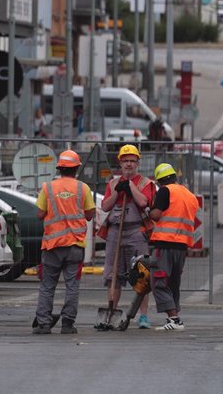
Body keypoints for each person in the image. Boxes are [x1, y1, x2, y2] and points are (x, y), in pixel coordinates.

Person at [33, 149, 97, 335]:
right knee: (72, 286)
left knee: (47, 286)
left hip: (52, 246)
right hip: (74, 246)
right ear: (77, 168)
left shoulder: (48, 188)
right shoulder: (82, 188)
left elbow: (39, 214)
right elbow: (90, 214)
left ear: (59, 168)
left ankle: (44, 324)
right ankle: (67, 324)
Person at [96, 144, 156, 330]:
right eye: (125, 161)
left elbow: (144, 202)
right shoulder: (113, 184)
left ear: (138, 163)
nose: (129, 164)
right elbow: (105, 206)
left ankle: (143, 316)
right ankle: (112, 311)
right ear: (120, 163)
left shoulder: (146, 183)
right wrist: (118, 191)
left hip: (136, 231)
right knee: (113, 275)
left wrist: (130, 186)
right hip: (115, 232)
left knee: (141, 275)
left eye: (132, 161)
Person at [148, 163, 200, 331]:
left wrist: (149, 210)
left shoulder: (165, 191)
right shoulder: (189, 195)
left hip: (165, 243)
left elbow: (156, 214)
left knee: (158, 281)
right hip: (182, 246)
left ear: (160, 181)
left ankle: (174, 319)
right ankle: (174, 316)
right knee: (173, 282)